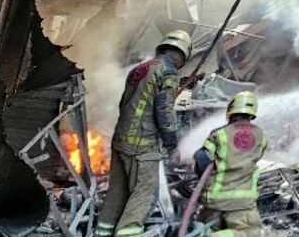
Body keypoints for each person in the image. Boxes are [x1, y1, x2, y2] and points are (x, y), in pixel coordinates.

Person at [95, 30, 192, 237]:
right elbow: (164, 111)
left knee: (117, 194)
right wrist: (172, 145)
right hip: (142, 145)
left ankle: (102, 232)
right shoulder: (168, 72)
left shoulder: (138, 69)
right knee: (144, 193)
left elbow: (125, 104)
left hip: (120, 140)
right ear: (182, 55)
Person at [193, 91, 267, 237]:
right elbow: (256, 157)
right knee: (250, 233)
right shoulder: (261, 135)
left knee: (205, 229)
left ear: (231, 110)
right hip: (243, 202)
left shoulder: (219, 133)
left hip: (214, 200)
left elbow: (202, 158)